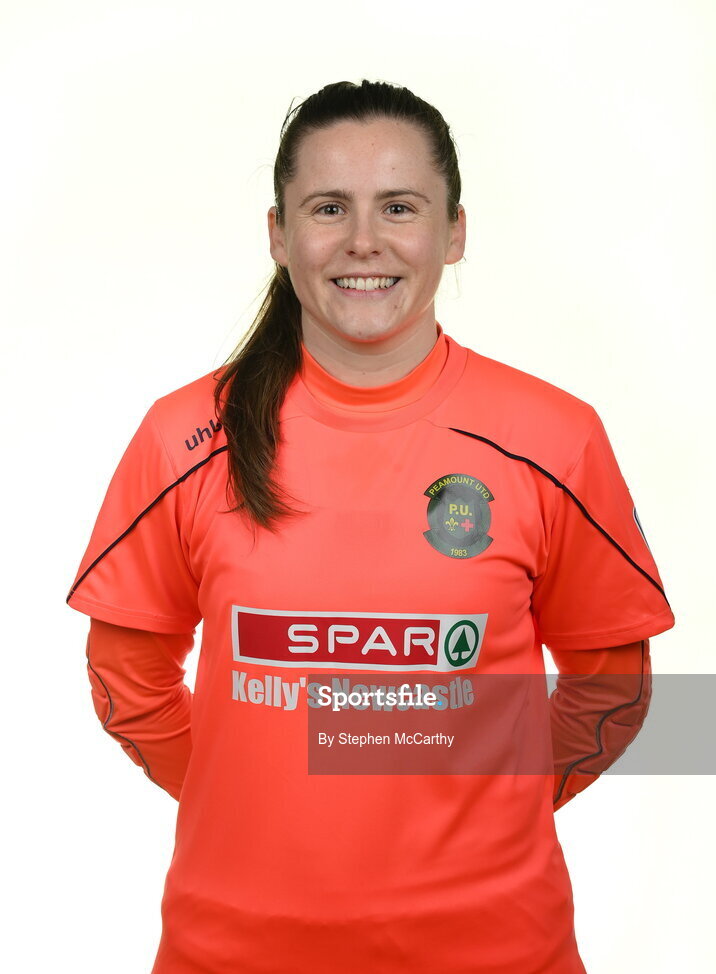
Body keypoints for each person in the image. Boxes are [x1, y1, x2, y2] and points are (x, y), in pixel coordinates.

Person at [66, 79, 675, 974]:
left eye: (399, 206)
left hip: (497, 950)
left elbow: (612, 684)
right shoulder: (185, 438)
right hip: (230, 950)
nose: (363, 241)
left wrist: (493, 809)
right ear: (278, 233)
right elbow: (127, 672)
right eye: (326, 207)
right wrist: (247, 803)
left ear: (454, 231)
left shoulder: (556, 436)